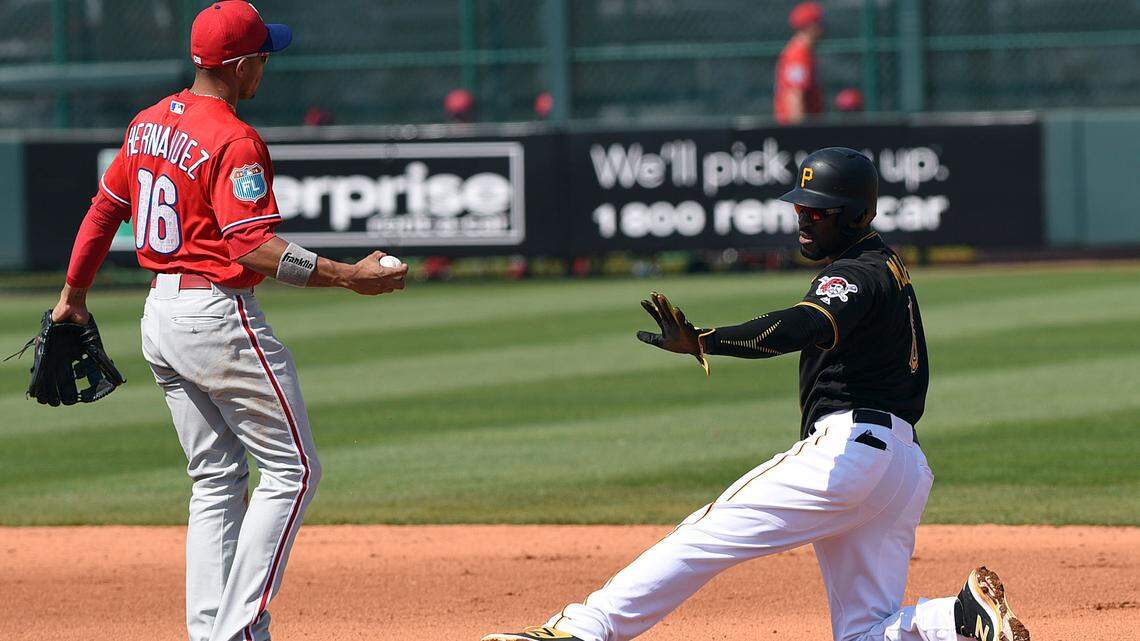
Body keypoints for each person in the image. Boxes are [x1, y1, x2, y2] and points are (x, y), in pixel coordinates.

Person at [481, 149, 1029, 641]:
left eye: (819, 211)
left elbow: (801, 326)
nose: (804, 220)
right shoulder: (885, 266)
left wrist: (705, 340)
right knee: (863, 632)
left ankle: (580, 632)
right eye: (800, 208)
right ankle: (955, 621)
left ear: (858, 215)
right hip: (901, 468)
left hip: (848, 455)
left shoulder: (858, 274)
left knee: (701, 536)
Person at [50, 2, 407, 640]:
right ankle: (240, 629)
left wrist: (72, 296)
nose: (265, 66)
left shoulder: (146, 124)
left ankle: (212, 630)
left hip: (159, 312)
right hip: (214, 316)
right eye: (263, 56)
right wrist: (347, 275)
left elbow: (104, 212)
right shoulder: (234, 138)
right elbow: (252, 248)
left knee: (215, 478)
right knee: (295, 470)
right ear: (240, 64)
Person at [775, 2, 825, 125]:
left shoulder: (804, 52)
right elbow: (795, 95)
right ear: (811, 26)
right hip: (799, 130)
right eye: (820, 23)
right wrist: (799, 133)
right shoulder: (798, 55)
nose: (824, 27)